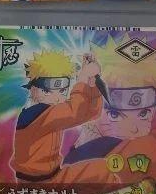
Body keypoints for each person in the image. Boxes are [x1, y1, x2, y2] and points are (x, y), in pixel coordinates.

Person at [10, 51, 102, 184]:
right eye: (47, 91)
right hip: (37, 184)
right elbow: (76, 112)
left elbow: (91, 113)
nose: (58, 97)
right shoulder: (36, 113)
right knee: (101, 173)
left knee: (101, 170)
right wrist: (83, 77)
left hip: (54, 177)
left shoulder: (53, 112)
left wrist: (92, 84)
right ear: (33, 89)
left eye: (63, 90)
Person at [58, 82, 156, 186]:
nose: (133, 129)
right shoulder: (95, 144)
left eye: (143, 113)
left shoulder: (149, 142)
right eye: (114, 114)